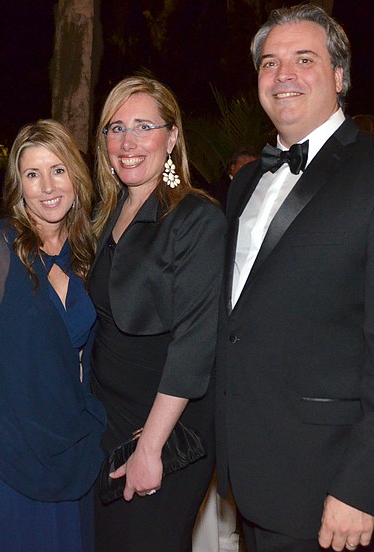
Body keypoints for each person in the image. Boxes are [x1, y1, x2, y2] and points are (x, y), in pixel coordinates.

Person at [216, 5, 374, 552]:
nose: (283, 74)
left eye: (304, 59)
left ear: (340, 77)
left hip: (330, 484)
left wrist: (364, 487)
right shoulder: (246, 181)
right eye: (269, 63)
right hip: (251, 473)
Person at [0, 120, 106, 552]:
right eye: (32, 175)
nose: (47, 186)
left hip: (70, 445)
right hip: (5, 451)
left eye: (57, 170)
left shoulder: (86, 249)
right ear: (19, 186)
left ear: (75, 174)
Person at [89, 75, 226, 551]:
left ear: (172, 137)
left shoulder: (197, 219)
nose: (126, 142)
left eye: (143, 126)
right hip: (105, 415)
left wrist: (150, 447)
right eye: (115, 127)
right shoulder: (105, 212)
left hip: (167, 424)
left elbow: (196, 341)